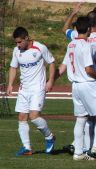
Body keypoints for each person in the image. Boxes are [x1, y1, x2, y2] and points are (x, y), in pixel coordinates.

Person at [58, 16, 96, 161]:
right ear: (88, 29)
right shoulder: (86, 45)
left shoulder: (71, 45)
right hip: (88, 84)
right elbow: (88, 69)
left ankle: (78, 152)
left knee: (81, 119)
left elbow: (66, 65)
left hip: (76, 86)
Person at [7, 27, 56, 156]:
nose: (17, 45)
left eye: (19, 42)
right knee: (22, 117)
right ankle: (27, 148)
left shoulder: (40, 47)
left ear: (26, 38)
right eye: (16, 43)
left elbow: (51, 62)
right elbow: (13, 67)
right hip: (24, 89)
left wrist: (50, 81)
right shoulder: (16, 51)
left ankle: (49, 136)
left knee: (33, 117)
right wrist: (10, 84)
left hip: (38, 88)